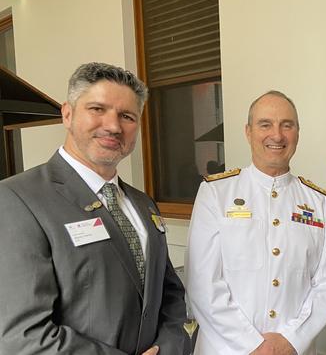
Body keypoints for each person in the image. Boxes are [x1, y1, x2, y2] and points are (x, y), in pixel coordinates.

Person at [0, 62, 188, 354]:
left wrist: (170, 346)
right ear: (67, 114)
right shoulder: (17, 199)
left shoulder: (142, 203)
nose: (113, 126)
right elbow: (22, 336)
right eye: (98, 109)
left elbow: (169, 292)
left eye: (127, 116)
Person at [186, 90, 326, 354]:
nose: (277, 135)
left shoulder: (318, 201)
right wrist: (252, 344)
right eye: (265, 124)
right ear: (248, 132)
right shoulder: (216, 193)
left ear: (297, 133)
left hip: (294, 350)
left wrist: (291, 339)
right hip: (227, 348)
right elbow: (202, 282)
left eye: (287, 125)